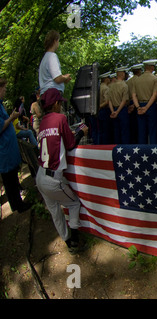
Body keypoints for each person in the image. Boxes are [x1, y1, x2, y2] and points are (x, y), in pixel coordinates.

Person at [35, 88, 88, 254]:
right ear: (56, 103)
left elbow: (56, 141)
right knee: (73, 203)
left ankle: (66, 242)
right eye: (60, 103)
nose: (61, 106)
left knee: (54, 212)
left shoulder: (43, 120)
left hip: (40, 174)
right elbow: (71, 144)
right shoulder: (60, 117)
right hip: (53, 178)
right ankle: (74, 241)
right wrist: (81, 131)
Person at [0, 78, 33, 214]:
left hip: (8, 149)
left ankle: (17, 203)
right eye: (4, 89)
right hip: (4, 151)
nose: (5, 91)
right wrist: (12, 118)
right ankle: (18, 205)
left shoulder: (1, 104)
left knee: (12, 179)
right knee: (9, 180)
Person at [133, 60, 157, 144]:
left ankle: (141, 151)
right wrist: (147, 107)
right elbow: (154, 94)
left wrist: (138, 107)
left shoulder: (137, 80)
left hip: (140, 105)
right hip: (150, 106)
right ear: (152, 67)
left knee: (141, 131)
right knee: (153, 131)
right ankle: (152, 151)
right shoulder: (155, 79)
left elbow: (134, 95)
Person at [38, 30, 71, 95]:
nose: (58, 43)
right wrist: (66, 77)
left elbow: (50, 79)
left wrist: (63, 79)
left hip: (45, 94)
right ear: (55, 41)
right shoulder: (52, 56)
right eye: (58, 41)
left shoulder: (44, 58)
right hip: (53, 95)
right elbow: (58, 79)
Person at [108, 66, 130, 144]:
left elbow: (109, 100)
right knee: (124, 131)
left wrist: (113, 111)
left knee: (116, 132)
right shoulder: (124, 85)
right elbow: (124, 100)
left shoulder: (110, 86)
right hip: (122, 110)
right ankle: (124, 150)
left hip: (113, 110)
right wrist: (117, 112)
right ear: (123, 74)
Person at [127, 64, 143, 144]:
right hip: (139, 103)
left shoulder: (128, 82)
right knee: (140, 126)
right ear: (139, 71)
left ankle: (133, 141)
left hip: (129, 103)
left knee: (132, 125)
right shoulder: (141, 80)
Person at [97, 72, 112, 145]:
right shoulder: (106, 88)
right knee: (106, 130)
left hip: (99, 111)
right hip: (105, 110)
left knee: (101, 130)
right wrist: (100, 107)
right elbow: (107, 101)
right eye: (108, 78)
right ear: (106, 79)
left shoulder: (98, 88)